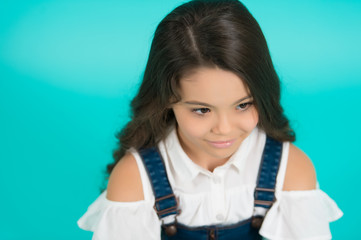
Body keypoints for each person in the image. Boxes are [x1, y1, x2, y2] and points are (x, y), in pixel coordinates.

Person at [77, 0, 343, 239]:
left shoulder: (290, 169)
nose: (224, 129)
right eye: (202, 110)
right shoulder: (135, 177)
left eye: (243, 105)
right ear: (167, 99)